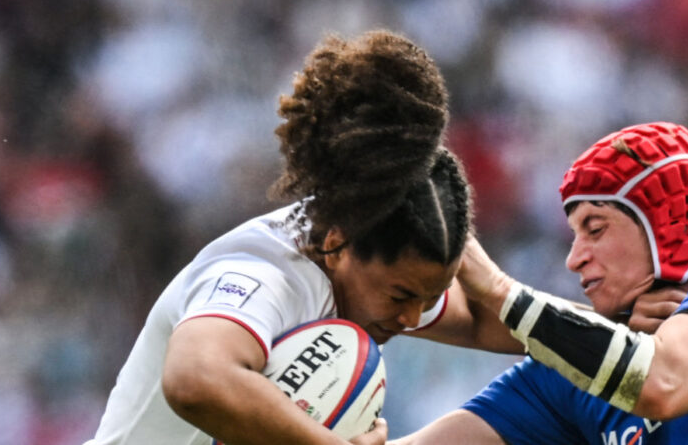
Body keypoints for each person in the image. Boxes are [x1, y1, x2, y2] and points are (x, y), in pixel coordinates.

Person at [84, 29, 529, 445]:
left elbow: (486, 318)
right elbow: (194, 380)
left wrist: (592, 323)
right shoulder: (263, 275)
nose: (413, 318)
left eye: (427, 300)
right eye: (402, 296)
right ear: (337, 244)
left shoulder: (360, 270)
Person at [391, 122, 688, 444]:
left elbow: (663, 381)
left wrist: (496, 286)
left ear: (667, 222)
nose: (573, 258)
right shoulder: (571, 369)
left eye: (595, 228)